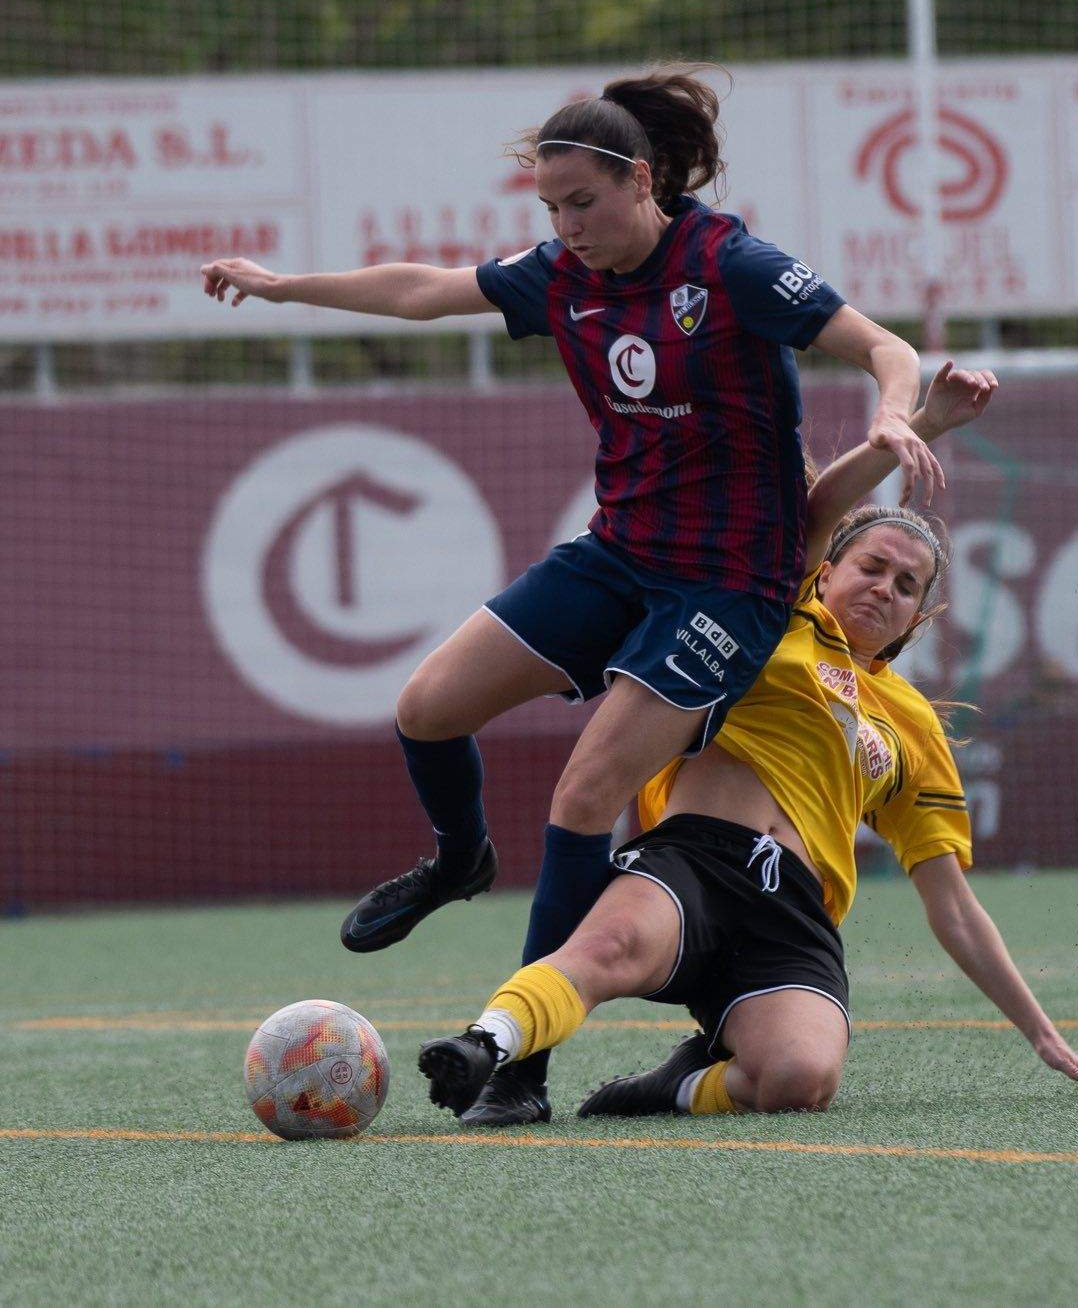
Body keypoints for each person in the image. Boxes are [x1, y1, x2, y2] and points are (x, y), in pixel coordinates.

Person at [200, 63, 943, 1125]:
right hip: (618, 554)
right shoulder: (560, 274)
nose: (566, 227)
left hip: (728, 586)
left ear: (641, 180)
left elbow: (882, 345)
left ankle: (521, 1070)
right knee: (426, 708)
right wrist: (282, 287)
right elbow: (422, 291)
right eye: (550, 208)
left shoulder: (729, 264)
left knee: (586, 793)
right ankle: (461, 859)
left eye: (582, 203)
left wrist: (894, 410)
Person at [417, 361, 1078, 1123]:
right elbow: (826, 503)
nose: (884, 588)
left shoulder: (915, 725)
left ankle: (672, 1085)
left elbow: (950, 904)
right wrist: (922, 425)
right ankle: (486, 1048)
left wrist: (1041, 1033)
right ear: (825, 573)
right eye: (872, 567)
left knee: (800, 1080)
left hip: (793, 909)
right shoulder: (777, 615)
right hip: (693, 858)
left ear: (918, 615)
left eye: (906, 585)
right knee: (608, 950)